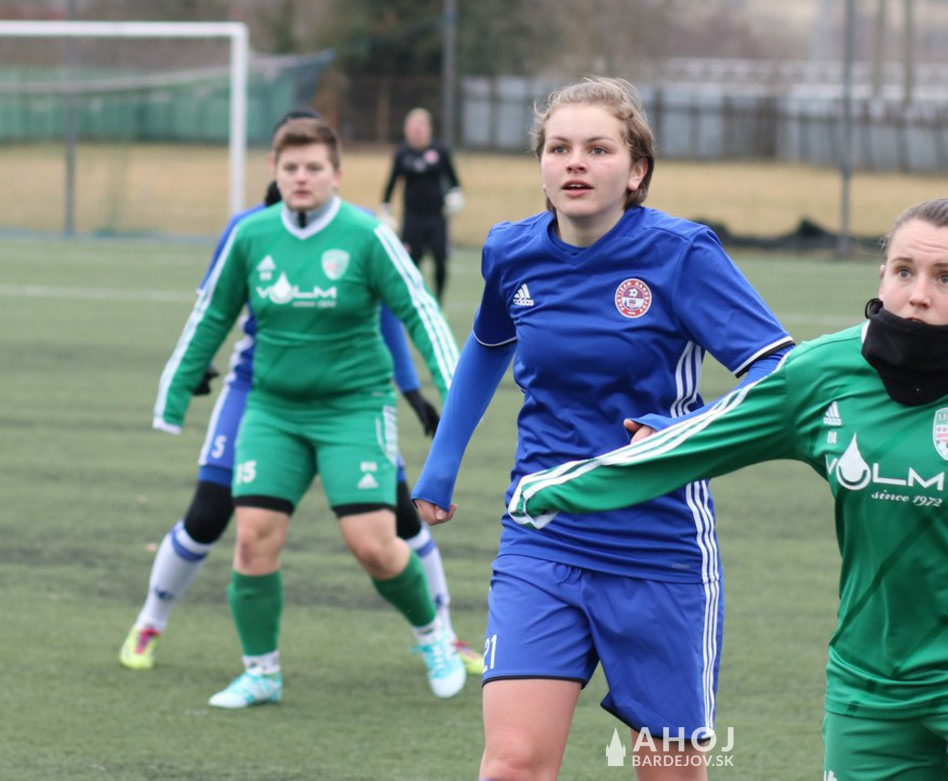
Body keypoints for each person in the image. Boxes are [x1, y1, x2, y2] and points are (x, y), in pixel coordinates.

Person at [508, 197, 948, 781]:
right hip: (868, 691)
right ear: (881, 278)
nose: (918, 294)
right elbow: (698, 441)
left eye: (944, 278)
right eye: (904, 271)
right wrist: (558, 487)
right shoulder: (822, 373)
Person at [411, 76, 794, 780]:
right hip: (543, 532)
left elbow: (779, 371)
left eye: (598, 148)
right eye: (558, 148)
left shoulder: (682, 254)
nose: (575, 163)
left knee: (666, 769)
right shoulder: (511, 251)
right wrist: (442, 462)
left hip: (658, 548)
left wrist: (681, 430)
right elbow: (489, 344)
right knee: (512, 764)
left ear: (636, 170)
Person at [120, 110, 481, 679]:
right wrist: (194, 371)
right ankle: (151, 621)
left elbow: (393, 316)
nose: (302, 175)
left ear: (334, 170)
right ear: (276, 166)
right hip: (259, 389)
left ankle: (443, 633)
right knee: (210, 513)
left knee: (394, 519)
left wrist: (411, 390)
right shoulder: (247, 230)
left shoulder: (360, 233)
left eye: (314, 165)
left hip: (350, 397)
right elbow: (212, 308)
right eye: (292, 165)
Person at [381, 107, 462, 303]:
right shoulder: (402, 154)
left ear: (429, 128)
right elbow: (392, 182)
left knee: (440, 260)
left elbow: (453, 180)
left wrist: (456, 196)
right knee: (411, 263)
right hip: (412, 218)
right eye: (413, 127)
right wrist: (385, 207)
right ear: (406, 130)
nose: (417, 131)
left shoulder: (440, 151)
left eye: (421, 126)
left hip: (436, 217)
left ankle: (439, 301)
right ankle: (414, 300)